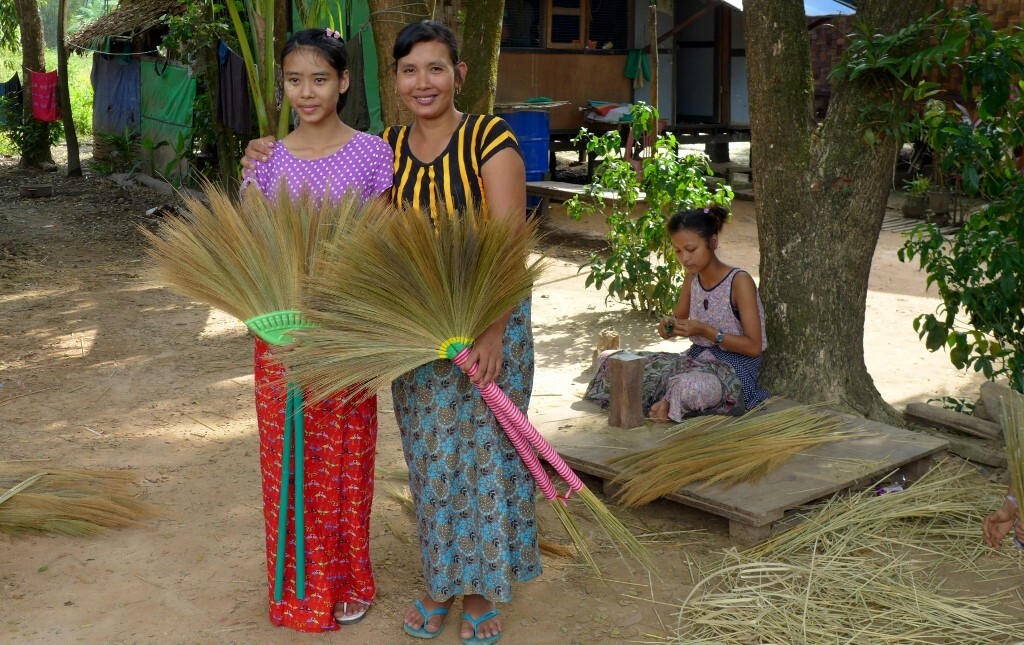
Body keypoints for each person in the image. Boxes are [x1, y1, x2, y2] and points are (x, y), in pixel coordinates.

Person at [243, 20, 533, 645]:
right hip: (413, 322)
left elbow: (508, 246)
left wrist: (491, 331)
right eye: (409, 70)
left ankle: (480, 591)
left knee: (485, 453)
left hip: (488, 314)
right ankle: (439, 584)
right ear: (393, 79)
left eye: (435, 68)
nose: (422, 81)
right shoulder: (391, 149)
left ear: (459, 73)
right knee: (431, 457)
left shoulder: (490, 138)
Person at [241, 27, 394, 632]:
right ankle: (294, 586)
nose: (307, 92)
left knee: (346, 456)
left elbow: (382, 243)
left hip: (343, 329)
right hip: (278, 331)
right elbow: (250, 244)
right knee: (286, 457)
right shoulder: (266, 158)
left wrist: (343, 306)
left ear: (345, 82)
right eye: (295, 80)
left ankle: (349, 579)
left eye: (320, 79)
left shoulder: (373, 154)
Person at [584, 206, 770, 422]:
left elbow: (754, 347)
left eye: (691, 249)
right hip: (694, 360)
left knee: (687, 386)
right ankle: (669, 404)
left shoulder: (739, 282)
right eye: (678, 251)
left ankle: (671, 403)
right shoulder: (692, 278)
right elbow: (676, 321)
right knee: (612, 361)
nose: (685, 258)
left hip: (732, 371)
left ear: (713, 242)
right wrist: (667, 327)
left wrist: (706, 331)